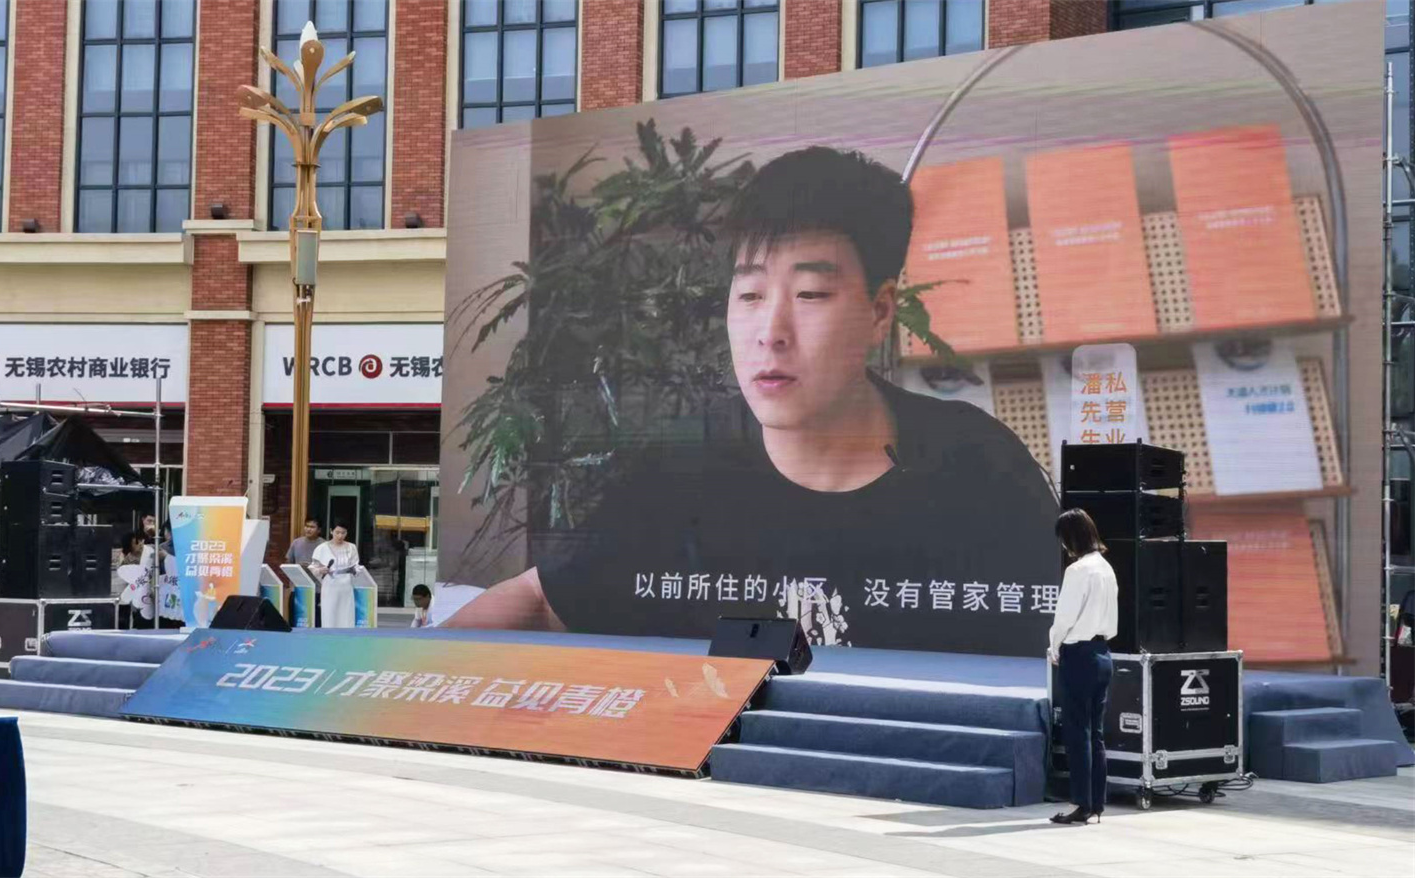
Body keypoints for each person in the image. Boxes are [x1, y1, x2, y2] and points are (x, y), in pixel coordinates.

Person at [445, 146, 1060, 651]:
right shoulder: (680, 471)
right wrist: (410, 677)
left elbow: (1068, 647)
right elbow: (541, 601)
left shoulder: (976, 465)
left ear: (879, 312)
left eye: (811, 294)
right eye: (749, 295)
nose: (771, 331)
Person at [1047, 508, 1118, 826]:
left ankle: (1082, 803)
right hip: (1103, 653)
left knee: (1078, 733)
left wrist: (1054, 645)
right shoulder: (1106, 568)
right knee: (1096, 733)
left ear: (1071, 538)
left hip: (1079, 654)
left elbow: (1064, 618)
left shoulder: (1078, 571)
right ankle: (1096, 803)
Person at [310, 523, 359, 628]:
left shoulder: (352, 547)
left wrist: (356, 570)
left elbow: (356, 565)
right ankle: (329, 633)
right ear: (331, 531)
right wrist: (320, 570)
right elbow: (313, 567)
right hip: (330, 583)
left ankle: (347, 634)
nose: (340, 536)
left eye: (343, 533)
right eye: (337, 532)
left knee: (346, 612)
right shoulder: (322, 548)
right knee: (329, 611)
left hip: (346, 583)